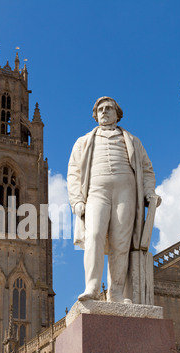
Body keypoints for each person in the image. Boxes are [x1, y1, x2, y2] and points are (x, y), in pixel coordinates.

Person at [67, 96, 161, 302]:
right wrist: (76, 200)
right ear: (95, 115)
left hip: (126, 191)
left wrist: (149, 192)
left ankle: (116, 292)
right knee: (94, 235)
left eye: (109, 108)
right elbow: (73, 173)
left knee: (121, 242)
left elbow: (146, 170)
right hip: (96, 190)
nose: (104, 112)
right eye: (100, 109)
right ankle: (91, 287)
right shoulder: (83, 142)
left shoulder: (133, 141)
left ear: (117, 114)